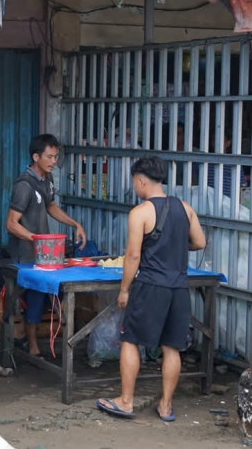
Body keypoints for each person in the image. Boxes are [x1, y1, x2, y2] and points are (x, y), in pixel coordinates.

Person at [97, 156, 206, 421]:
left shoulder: (140, 212)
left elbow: (133, 256)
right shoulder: (185, 208)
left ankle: (126, 401)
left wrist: (124, 290)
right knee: (172, 348)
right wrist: (175, 248)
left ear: (141, 180)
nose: (135, 186)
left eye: (135, 181)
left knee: (131, 340)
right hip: (178, 288)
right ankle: (166, 406)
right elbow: (199, 242)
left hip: (150, 287)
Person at [6, 134, 87, 358]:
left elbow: (51, 206)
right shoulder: (24, 185)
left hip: (44, 255)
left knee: (44, 295)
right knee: (34, 297)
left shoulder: (47, 179)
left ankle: (34, 342)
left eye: (55, 156)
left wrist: (74, 224)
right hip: (26, 255)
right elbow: (11, 224)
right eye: (49, 157)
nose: (53, 161)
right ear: (36, 157)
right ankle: (30, 345)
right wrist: (36, 239)